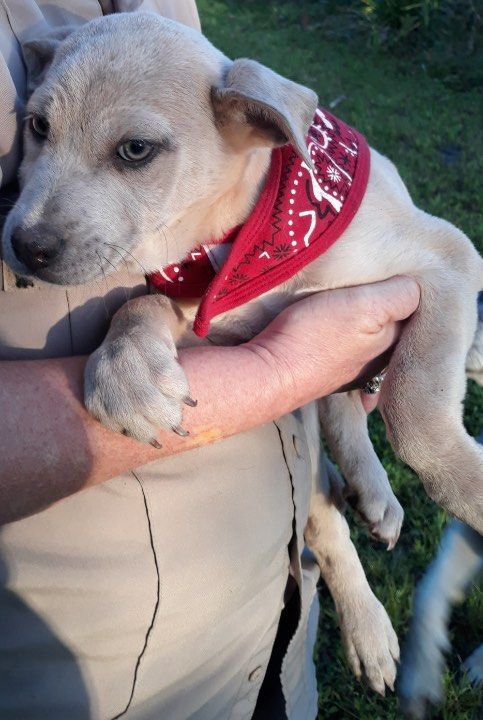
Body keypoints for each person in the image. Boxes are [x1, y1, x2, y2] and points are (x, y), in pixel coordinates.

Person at [0, 1, 420, 718]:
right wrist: (285, 371)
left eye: (131, 150)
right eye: (39, 128)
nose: (29, 224)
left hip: (274, 612)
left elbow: (214, 214)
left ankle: (344, 557)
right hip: (113, 672)